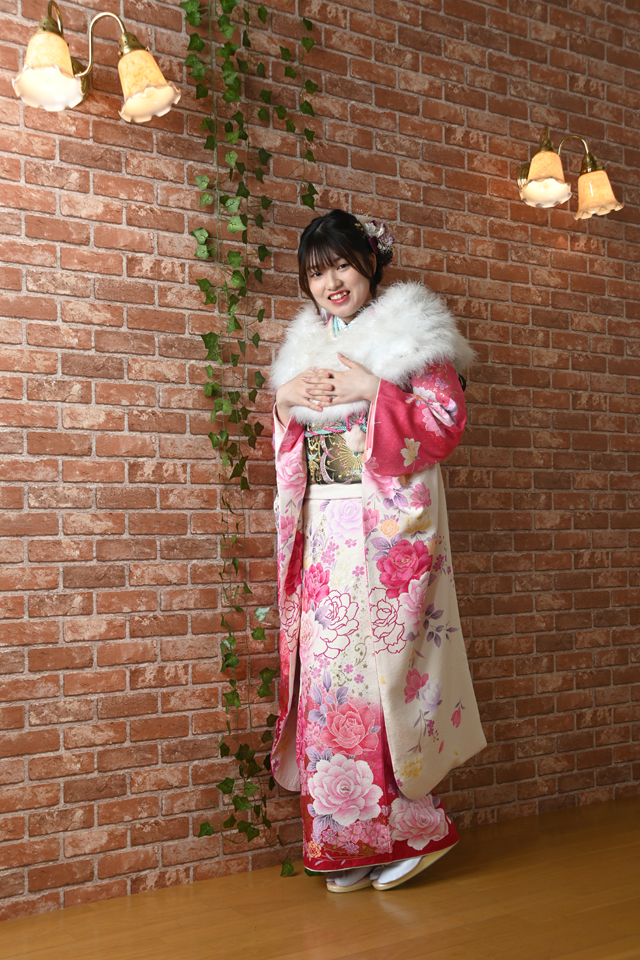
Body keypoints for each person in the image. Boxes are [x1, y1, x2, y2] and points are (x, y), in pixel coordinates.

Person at [269, 209, 486, 893]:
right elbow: (296, 446)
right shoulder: (306, 347)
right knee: (329, 686)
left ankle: (414, 833)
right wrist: (285, 402)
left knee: (383, 683)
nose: (331, 283)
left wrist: (376, 391)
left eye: (341, 265)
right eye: (316, 273)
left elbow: (445, 424)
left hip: (382, 536)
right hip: (327, 538)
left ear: (369, 264)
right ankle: (348, 845)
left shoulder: (412, 335)